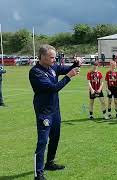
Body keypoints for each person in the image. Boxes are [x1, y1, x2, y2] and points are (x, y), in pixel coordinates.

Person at [29, 45, 81, 180]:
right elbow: (53, 88)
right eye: (51, 57)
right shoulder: (36, 72)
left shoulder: (53, 67)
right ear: (42, 57)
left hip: (55, 111)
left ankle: (50, 163)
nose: (54, 60)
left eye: (55, 57)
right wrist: (68, 77)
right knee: (42, 142)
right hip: (44, 112)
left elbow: (68, 68)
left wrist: (76, 64)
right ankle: (38, 174)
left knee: (55, 137)